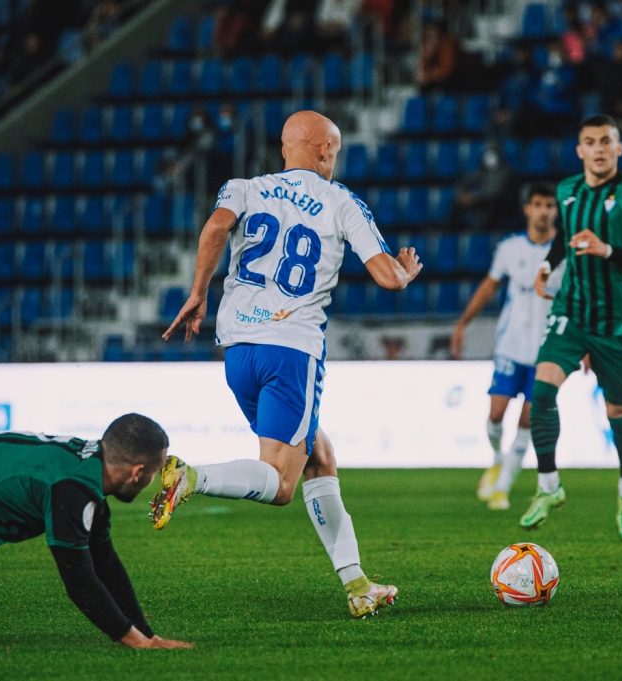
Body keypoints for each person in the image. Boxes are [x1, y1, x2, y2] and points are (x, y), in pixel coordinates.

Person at [155, 110, 422, 618]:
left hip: (238, 353)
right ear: (324, 151)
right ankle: (192, 476)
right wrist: (404, 273)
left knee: (318, 454)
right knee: (279, 484)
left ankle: (357, 583)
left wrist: (197, 292)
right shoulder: (341, 201)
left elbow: (214, 228)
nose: (334, 158)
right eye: (335, 151)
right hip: (291, 351)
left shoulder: (243, 187)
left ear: (284, 147)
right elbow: (386, 277)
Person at [519, 114, 622, 541]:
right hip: (572, 313)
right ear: (579, 150)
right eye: (590, 142)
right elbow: (564, 240)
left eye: (606, 142)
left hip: (616, 323)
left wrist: (608, 249)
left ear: (618, 148)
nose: (598, 149)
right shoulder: (567, 191)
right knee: (541, 390)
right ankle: (548, 487)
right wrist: (547, 265)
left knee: (618, 412)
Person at [0, 414, 192, 649]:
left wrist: (147, 636)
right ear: (137, 472)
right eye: (153, 473)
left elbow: (105, 563)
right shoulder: (72, 490)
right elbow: (79, 580)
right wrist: (136, 641)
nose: (151, 480)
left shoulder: (91, 471)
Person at [450, 182, 558, 511]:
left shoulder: (564, 252)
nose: (543, 211)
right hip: (511, 346)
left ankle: (503, 487)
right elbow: (489, 285)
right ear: (527, 209)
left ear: (556, 211)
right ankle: (497, 459)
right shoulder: (511, 248)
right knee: (496, 414)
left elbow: (575, 301)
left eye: (549, 206)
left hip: (546, 352)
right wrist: (463, 323)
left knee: (528, 421)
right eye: (537, 204)